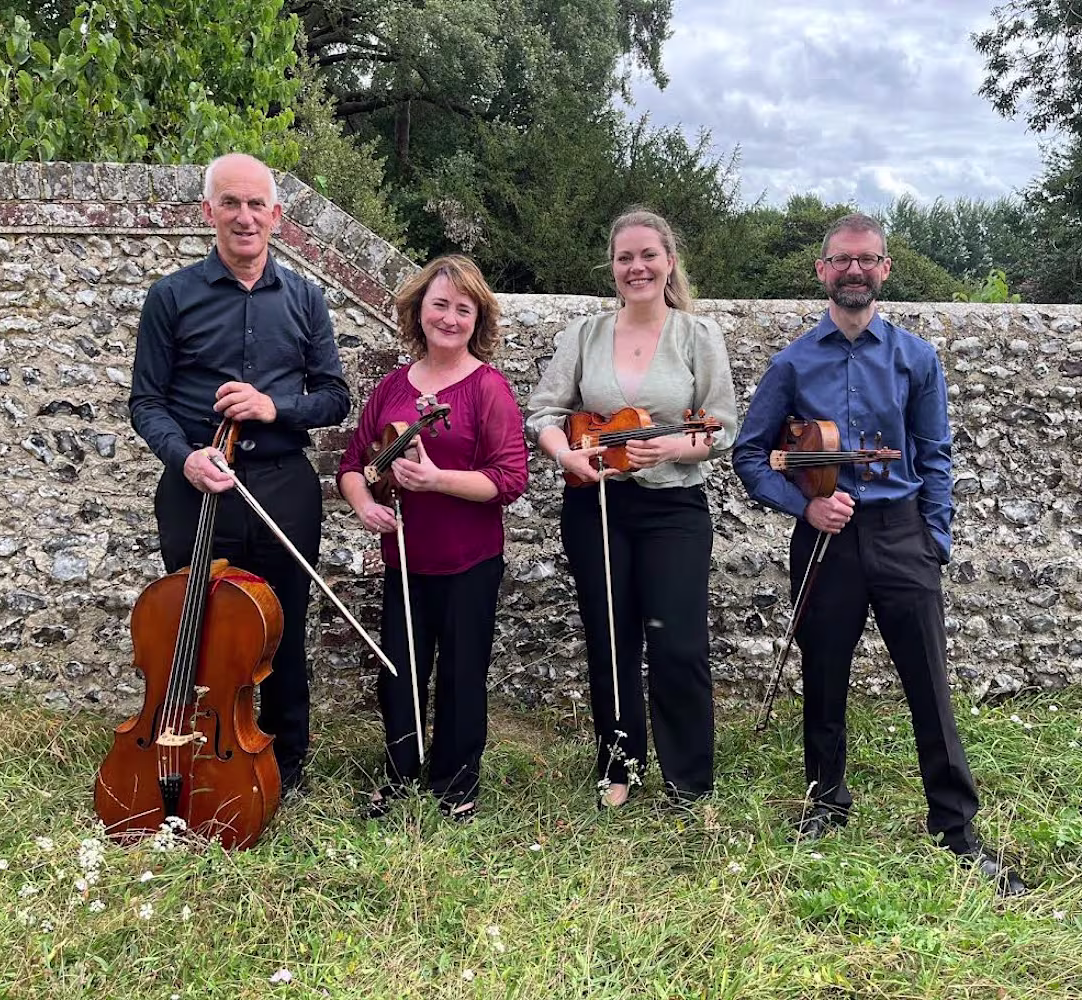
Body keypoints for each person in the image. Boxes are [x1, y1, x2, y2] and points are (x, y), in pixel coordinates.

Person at [732, 212, 1026, 895]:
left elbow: (935, 455)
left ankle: (956, 829)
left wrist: (936, 540)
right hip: (825, 535)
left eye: (867, 259)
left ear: (885, 269)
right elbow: (751, 455)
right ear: (823, 272)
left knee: (929, 682)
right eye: (842, 260)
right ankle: (826, 803)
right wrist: (803, 505)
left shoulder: (917, 358)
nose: (855, 270)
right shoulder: (792, 362)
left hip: (901, 533)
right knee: (825, 678)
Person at [129, 152, 351, 796]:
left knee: (280, 626)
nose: (245, 216)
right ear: (209, 212)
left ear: (277, 216)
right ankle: (193, 758)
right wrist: (184, 456)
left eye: (257, 204)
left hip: (283, 485)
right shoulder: (171, 296)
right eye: (230, 203)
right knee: (195, 630)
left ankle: (287, 764)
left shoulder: (306, 299)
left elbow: (334, 397)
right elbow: (146, 402)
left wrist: (272, 406)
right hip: (200, 486)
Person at [525, 209, 738, 810]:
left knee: (679, 642)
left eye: (648, 255)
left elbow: (720, 429)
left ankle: (689, 778)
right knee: (611, 637)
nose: (636, 267)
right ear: (612, 267)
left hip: (674, 508)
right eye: (624, 258)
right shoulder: (584, 335)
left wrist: (672, 445)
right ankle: (619, 765)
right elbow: (542, 414)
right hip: (595, 504)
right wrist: (567, 457)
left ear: (669, 261)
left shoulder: (699, 336)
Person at [338, 255, 528, 821]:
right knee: (399, 671)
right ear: (419, 310)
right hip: (405, 560)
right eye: (439, 305)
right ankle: (399, 776)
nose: (449, 318)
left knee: (463, 675)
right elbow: (354, 464)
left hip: (470, 559)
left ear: (478, 319)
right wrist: (366, 504)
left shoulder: (488, 389)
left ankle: (455, 785)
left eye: (462, 309)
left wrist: (437, 479)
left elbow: (510, 480)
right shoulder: (392, 389)